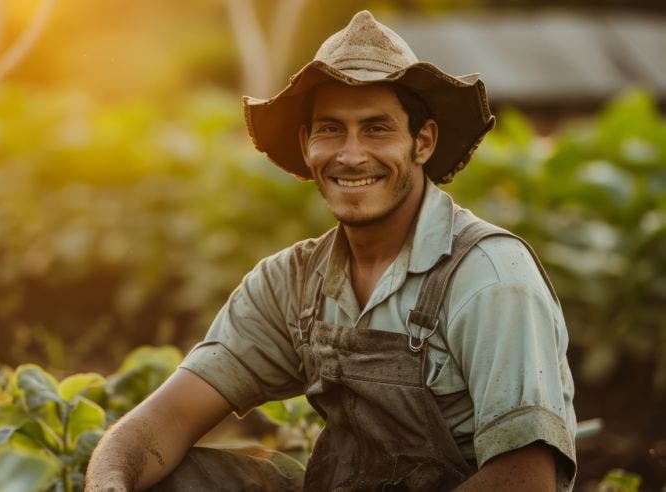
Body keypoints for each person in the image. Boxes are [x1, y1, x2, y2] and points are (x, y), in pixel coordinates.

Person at [86, 10, 576, 492]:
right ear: (307, 144)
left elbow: (528, 478)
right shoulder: (292, 281)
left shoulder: (490, 278)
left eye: (377, 128)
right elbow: (164, 419)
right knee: (184, 477)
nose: (351, 154)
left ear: (422, 142)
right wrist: (108, 484)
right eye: (331, 129)